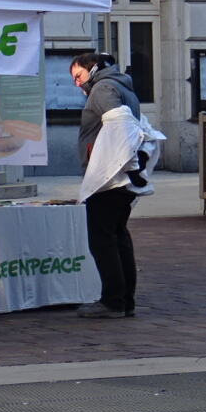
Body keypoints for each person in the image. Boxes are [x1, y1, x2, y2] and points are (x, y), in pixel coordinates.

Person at [71, 51, 144, 319]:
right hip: (120, 174)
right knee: (118, 235)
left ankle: (113, 301)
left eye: (78, 75)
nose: (77, 83)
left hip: (108, 176)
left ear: (92, 69)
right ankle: (125, 300)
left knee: (102, 239)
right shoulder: (123, 86)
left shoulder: (102, 88)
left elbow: (121, 124)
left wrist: (119, 163)